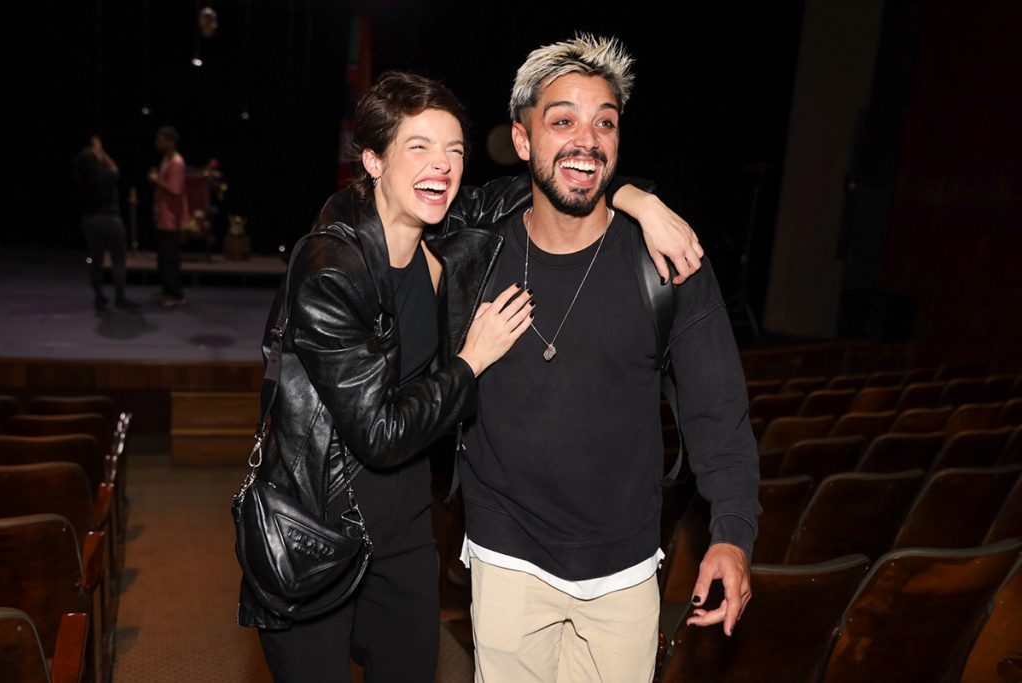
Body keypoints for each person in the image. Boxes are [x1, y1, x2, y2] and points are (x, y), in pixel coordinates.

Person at [237, 71, 703, 683]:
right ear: (374, 160)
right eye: (420, 147)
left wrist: (641, 201)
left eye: (454, 150)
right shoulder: (329, 269)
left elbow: (559, 178)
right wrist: (471, 361)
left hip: (403, 530)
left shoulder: (453, 228)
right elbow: (380, 433)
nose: (444, 165)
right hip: (315, 529)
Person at [455, 34, 762, 682]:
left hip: (622, 565)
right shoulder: (476, 252)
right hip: (505, 552)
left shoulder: (667, 259)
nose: (586, 139)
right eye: (562, 119)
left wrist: (732, 532)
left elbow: (718, 409)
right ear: (522, 139)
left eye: (605, 122)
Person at [72, 135, 136, 310]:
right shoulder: (106, 175)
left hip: (91, 223)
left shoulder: (82, 180)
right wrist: (102, 153)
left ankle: (99, 297)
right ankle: (120, 298)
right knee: (118, 260)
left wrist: (95, 153)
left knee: (95, 261)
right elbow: (115, 168)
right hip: (111, 220)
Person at [148, 125, 189, 307]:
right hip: (163, 215)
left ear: (171, 142)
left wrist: (156, 180)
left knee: (171, 258)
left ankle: (176, 294)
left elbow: (175, 189)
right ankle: (167, 290)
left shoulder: (177, 163)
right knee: (164, 257)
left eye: (162, 140)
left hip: (171, 218)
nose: (158, 144)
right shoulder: (166, 159)